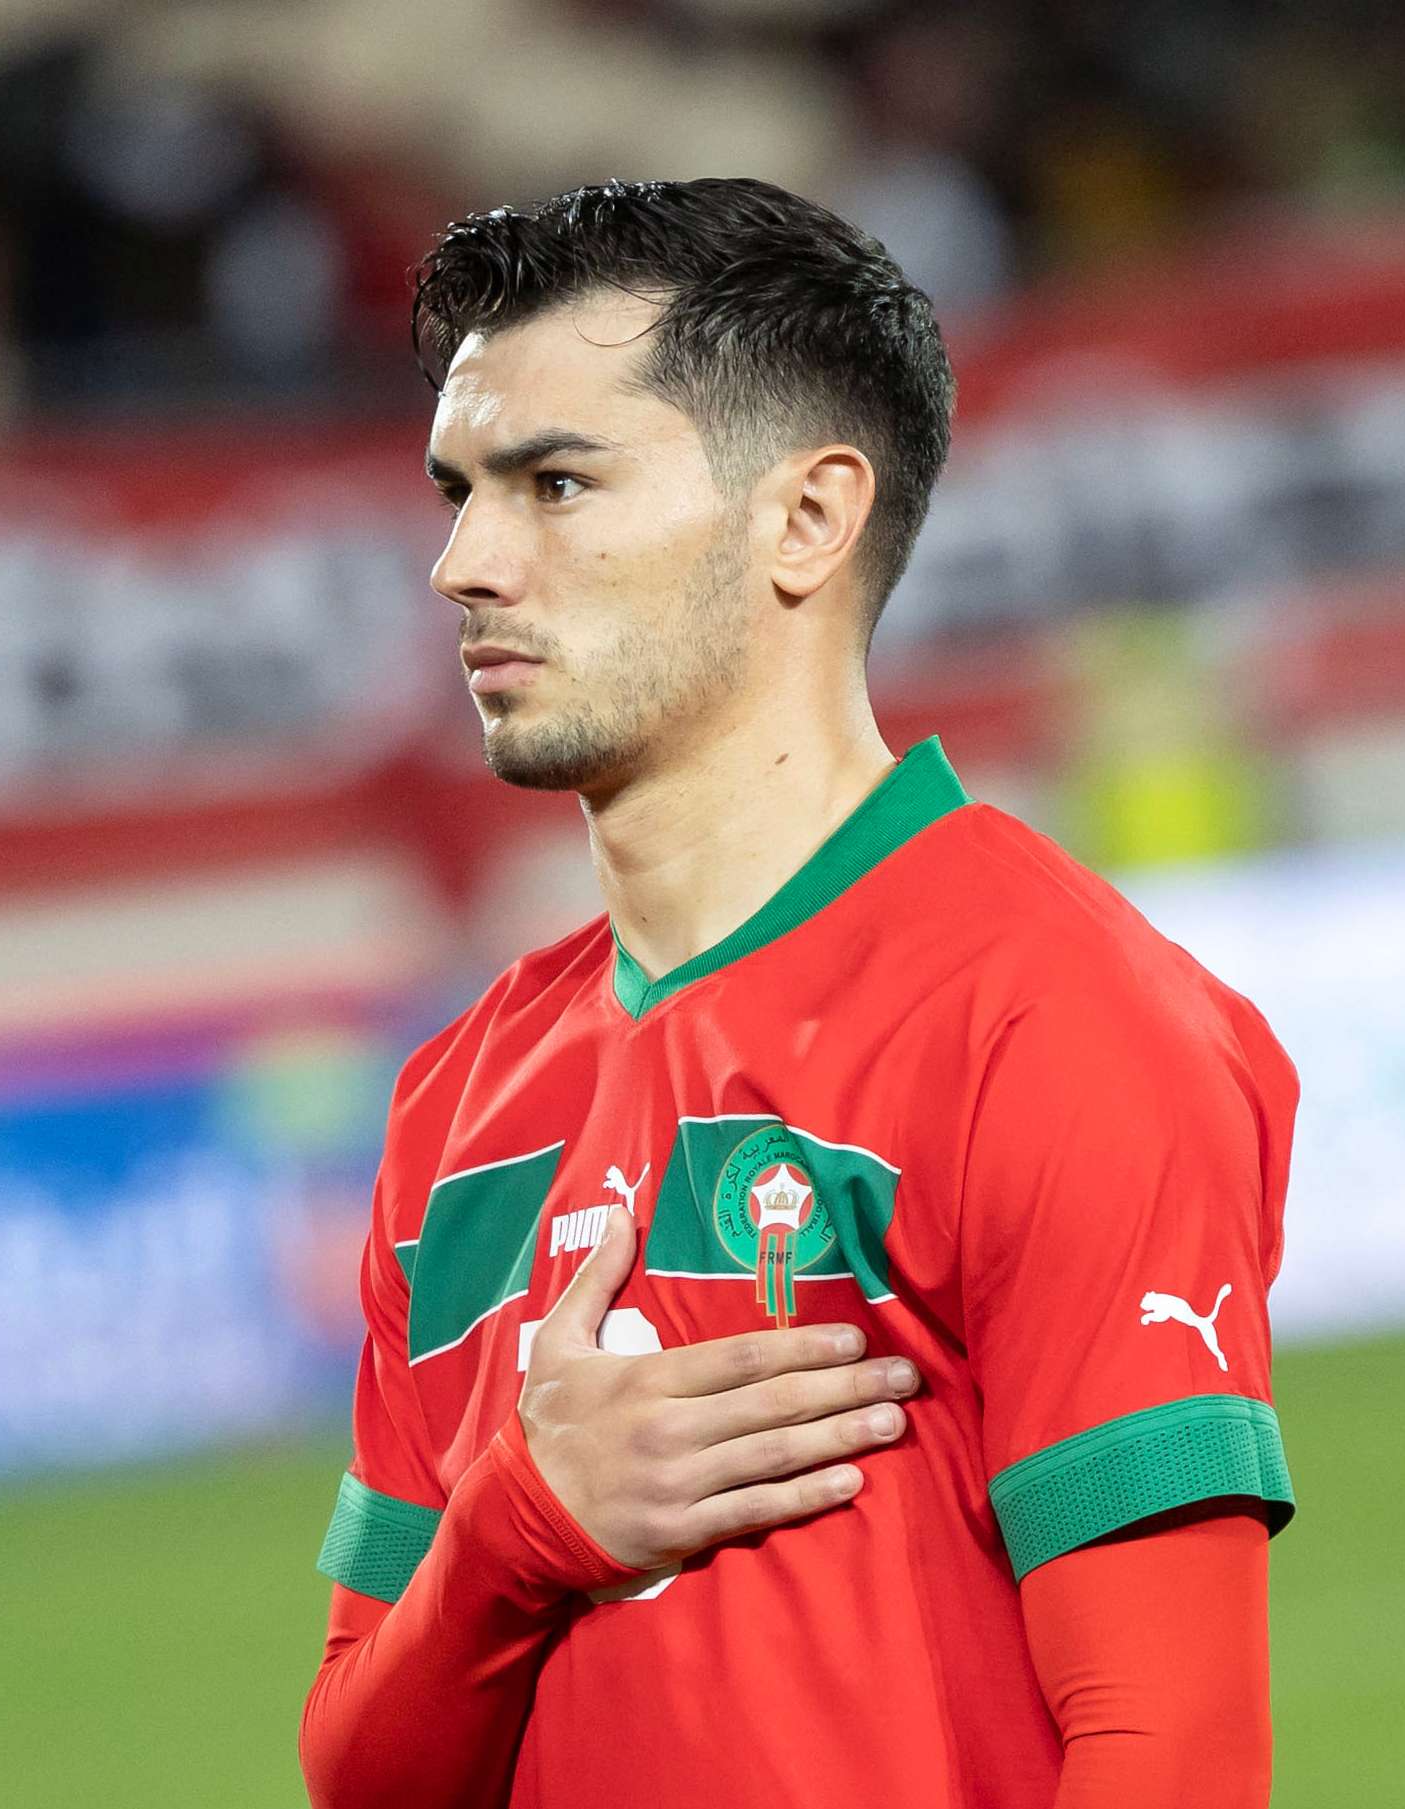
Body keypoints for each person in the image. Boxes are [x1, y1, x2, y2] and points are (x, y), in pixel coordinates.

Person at [298, 179, 1295, 1808]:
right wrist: (518, 1525)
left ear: (808, 519)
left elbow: (1171, 1753)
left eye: (556, 483)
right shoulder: (458, 1103)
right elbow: (367, 1780)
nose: (464, 564)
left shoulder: (1048, 1015)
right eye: (458, 494)